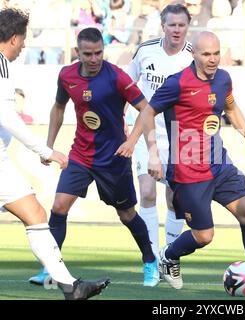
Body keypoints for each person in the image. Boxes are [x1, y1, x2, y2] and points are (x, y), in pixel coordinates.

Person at [28, 27, 159, 288]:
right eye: (88, 54)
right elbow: (58, 107)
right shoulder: (66, 76)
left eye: (99, 52)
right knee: (58, 207)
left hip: (113, 158)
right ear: (78, 52)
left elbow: (147, 109)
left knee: (126, 214)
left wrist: (132, 141)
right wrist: (48, 146)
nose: (94, 58)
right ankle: (50, 267)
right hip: (80, 155)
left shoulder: (117, 78)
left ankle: (150, 261)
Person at [142, 30, 245, 291]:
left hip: (218, 163)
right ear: (193, 53)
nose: (213, 60)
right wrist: (153, 152)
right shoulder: (177, 83)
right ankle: (168, 255)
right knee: (204, 236)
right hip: (188, 170)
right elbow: (148, 112)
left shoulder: (223, 79)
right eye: (206, 54)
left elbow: (231, 108)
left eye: (216, 53)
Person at [0, 7, 109, 300]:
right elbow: (6, 116)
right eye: (23, 39)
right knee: (35, 214)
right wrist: (45, 150)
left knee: (35, 214)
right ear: (13, 38)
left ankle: (70, 287)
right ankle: (71, 287)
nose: (24, 45)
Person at [126, 3, 193, 258]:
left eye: (181, 25)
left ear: (187, 26)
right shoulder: (145, 51)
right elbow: (127, 85)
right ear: (163, 26)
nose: (176, 30)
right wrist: (123, 116)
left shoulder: (193, 55)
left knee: (176, 199)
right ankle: (151, 256)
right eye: (172, 25)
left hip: (178, 132)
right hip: (146, 127)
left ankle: (169, 255)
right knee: (146, 192)